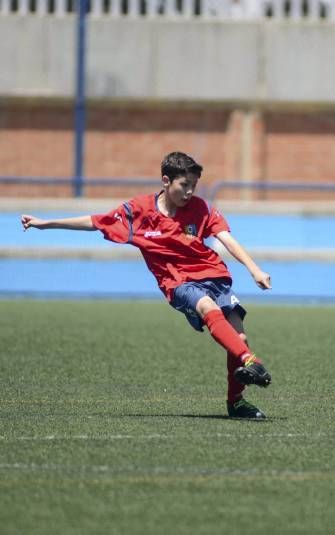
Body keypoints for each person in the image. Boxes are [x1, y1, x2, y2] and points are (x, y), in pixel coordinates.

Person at [20, 151, 273, 420]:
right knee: (207, 308)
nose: (189, 192)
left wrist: (254, 269)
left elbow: (227, 239)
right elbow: (96, 222)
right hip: (178, 282)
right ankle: (250, 361)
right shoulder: (139, 211)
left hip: (214, 275)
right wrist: (45, 224)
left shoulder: (202, 209)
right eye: (183, 185)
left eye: (193, 186)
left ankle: (235, 403)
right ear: (166, 180)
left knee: (239, 340)